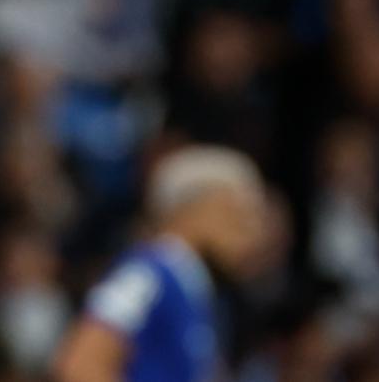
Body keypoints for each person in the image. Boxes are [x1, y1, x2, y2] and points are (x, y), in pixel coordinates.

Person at [53, 145, 267, 382]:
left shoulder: (192, 286)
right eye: (237, 214)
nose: (252, 232)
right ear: (193, 208)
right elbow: (81, 366)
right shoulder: (148, 274)